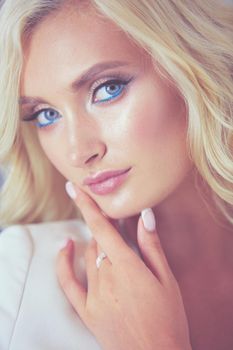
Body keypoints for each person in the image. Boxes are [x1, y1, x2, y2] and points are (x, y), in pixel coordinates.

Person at [0, 0, 232, 349]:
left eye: (108, 89)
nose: (79, 151)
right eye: (46, 115)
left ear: (196, 69)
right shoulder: (19, 278)